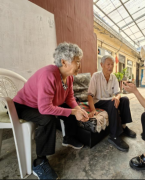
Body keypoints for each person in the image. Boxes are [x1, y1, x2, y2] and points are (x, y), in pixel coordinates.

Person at [13, 42, 89, 179]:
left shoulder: (69, 77)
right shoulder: (48, 75)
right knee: (47, 118)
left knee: (71, 106)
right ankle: (39, 162)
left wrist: (78, 110)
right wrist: (73, 112)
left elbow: (70, 98)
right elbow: (44, 108)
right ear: (64, 62)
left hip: (41, 105)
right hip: (23, 106)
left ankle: (69, 137)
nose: (80, 65)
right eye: (77, 61)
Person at [87, 55, 136, 152]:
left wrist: (117, 98)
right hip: (99, 101)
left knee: (125, 99)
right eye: (108, 64)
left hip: (109, 100)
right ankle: (114, 136)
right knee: (112, 103)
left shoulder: (113, 77)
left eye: (112, 64)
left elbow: (118, 93)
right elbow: (90, 95)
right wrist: (93, 109)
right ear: (101, 65)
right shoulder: (96, 76)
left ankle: (124, 127)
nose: (110, 67)